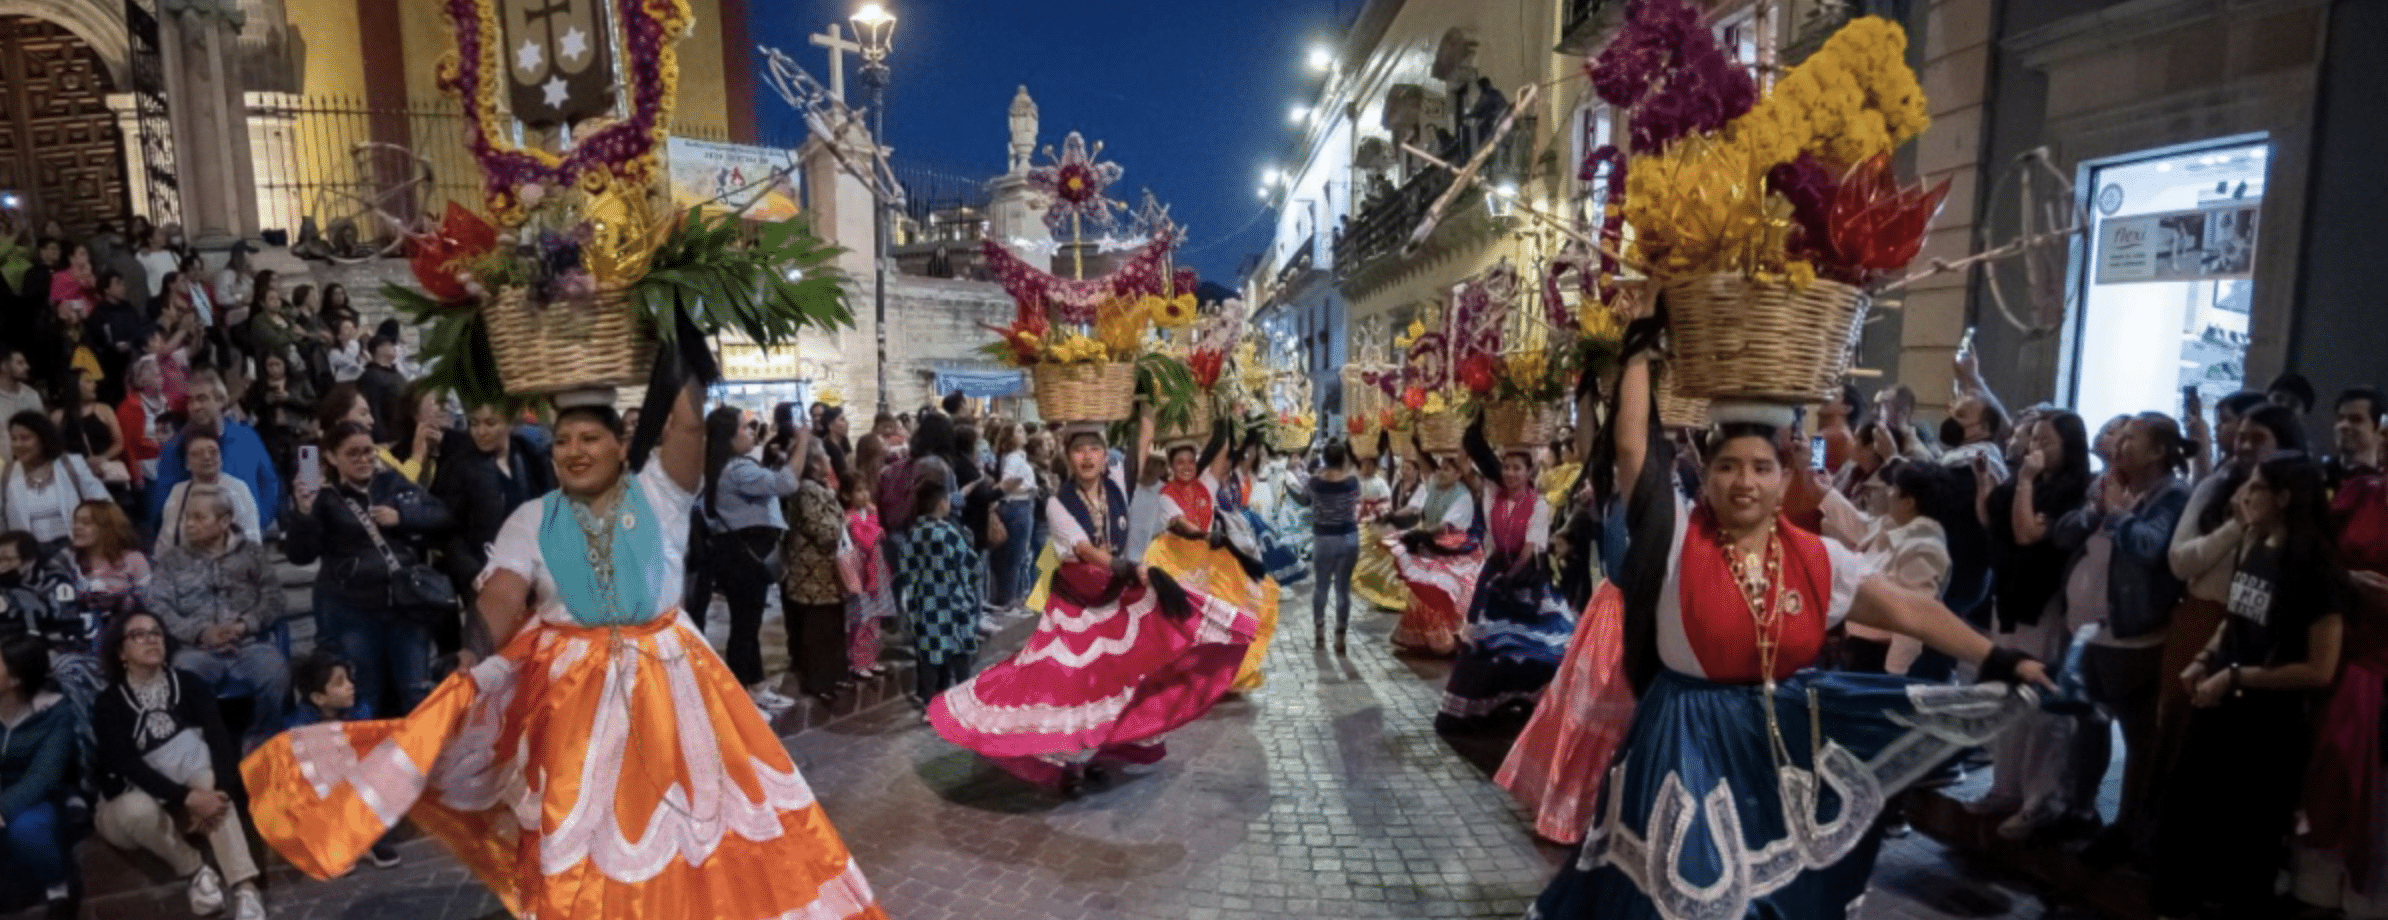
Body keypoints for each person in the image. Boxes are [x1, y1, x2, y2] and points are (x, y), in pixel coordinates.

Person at [242, 383, 887, 917]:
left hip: (672, 685)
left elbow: (688, 429)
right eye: (562, 443)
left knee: (694, 820)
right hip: (575, 698)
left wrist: (676, 326)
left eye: (589, 439)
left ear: (621, 445)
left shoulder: (659, 494)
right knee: (581, 825)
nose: (574, 452)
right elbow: (500, 596)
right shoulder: (531, 518)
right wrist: (470, 655)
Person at [1525, 342, 2048, 920]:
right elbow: (1630, 448)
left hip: (1779, 737)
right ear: (1706, 476)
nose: (1742, 482)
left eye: (1760, 467)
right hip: (1683, 736)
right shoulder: (1677, 535)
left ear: (1783, 479)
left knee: (1766, 895)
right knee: (1681, 889)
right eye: (1726, 466)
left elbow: (1909, 610)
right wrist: (1643, 353)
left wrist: (1999, 658)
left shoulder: (1817, 558)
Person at [927, 416, 1258, 797]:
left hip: (1112, 595)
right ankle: (1071, 766)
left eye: (1095, 450)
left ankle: (1090, 756)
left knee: (1113, 678)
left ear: (1105, 457)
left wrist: (1147, 409)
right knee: (1070, 686)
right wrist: (1126, 567)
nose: (1088, 457)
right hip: (1074, 607)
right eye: (1079, 450)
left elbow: (1139, 473)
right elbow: (1082, 547)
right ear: (1068, 458)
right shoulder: (1056, 503)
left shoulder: (1115, 486)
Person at [2156, 452, 2344, 919]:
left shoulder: (2317, 570)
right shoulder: (2256, 541)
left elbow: (2320, 668)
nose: (2244, 495)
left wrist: (2236, 676)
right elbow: (2236, 616)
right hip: (2222, 699)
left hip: (2267, 722)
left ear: (2283, 497)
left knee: (2247, 843)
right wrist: (2204, 659)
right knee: (2189, 821)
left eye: (2256, 487)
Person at [2054, 412, 2192, 866]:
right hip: (2090, 630)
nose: (2119, 445)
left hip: (2134, 635)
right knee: (2088, 725)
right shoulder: (2108, 484)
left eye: (2132, 439)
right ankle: (2080, 809)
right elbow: (2064, 534)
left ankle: (2130, 829)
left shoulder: (2173, 495)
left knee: (2138, 738)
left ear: (2157, 452)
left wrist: (2114, 515)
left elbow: (2153, 549)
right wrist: (2096, 510)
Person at [91, 611, 266, 920]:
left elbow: (220, 741)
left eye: (156, 633)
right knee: (137, 809)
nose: (151, 639)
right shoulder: (109, 702)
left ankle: (245, 888)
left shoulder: (189, 683)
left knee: (210, 780)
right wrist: (187, 798)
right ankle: (196, 870)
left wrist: (216, 795)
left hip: (192, 790)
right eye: (139, 634)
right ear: (121, 652)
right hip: (134, 804)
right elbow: (128, 765)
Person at [1972, 410, 2094, 839]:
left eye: (2046, 441)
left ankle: (2041, 799)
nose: (2034, 447)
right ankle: (2005, 787)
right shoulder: (2029, 478)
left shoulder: (2072, 490)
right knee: (2004, 694)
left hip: (2042, 602)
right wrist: (1988, 486)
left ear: (2069, 448)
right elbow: (1996, 522)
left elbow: (2026, 533)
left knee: (2039, 702)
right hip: (2008, 595)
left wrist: (2024, 479)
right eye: (2033, 438)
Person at [283, 422, 450, 717]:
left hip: (405, 606)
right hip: (354, 612)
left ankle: (424, 758)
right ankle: (368, 760)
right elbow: (300, 555)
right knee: (364, 692)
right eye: (353, 454)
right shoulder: (323, 497)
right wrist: (304, 512)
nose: (363, 459)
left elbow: (440, 514)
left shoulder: (391, 483)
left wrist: (402, 517)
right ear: (332, 458)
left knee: (416, 689)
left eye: (368, 452)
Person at [1435, 420, 1574, 734]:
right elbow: (1473, 461)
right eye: (1507, 467)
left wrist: (1509, 579)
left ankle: (1527, 699)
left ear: (1529, 473)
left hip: (1525, 578)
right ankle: (1482, 706)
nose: (1510, 473)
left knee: (1527, 643)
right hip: (1496, 571)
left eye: (1517, 469)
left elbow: (1529, 548)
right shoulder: (1492, 493)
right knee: (1483, 643)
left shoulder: (1538, 505)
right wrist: (1477, 421)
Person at [1137, 426, 1280, 691]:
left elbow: (1221, 453)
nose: (1186, 467)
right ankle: (1185, 675)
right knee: (1182, 619)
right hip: (1175, 557)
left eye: (1191, 461)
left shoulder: (1206, 486)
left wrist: (1224, 414)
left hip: (1207, 557)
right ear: (1170, 466)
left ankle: (1220, 675)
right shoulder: (1166, 495)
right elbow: (1179, 523)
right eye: (1179, 462)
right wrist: (1204, 535)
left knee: (1233, 608)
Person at [145, 485, 288, 746]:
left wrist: (244, 625)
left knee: (274, 672)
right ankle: (205, 747)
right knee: (182, 678)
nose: (189, 524)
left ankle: (260, 741)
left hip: (248, 645)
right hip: (195, 649)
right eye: (188, 516)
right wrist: (200, 632)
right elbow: (158, 607)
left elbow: (274, 599)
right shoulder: (172, 560)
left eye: (199, 517)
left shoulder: (252, 554)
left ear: (224, 521)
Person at [698, 406, 803, 711]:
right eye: (744, 428)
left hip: (736, 554)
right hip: (743, 556)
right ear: (729, 437)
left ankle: (754, 685)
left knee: (748, 624)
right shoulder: (736, 469)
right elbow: (786, 485)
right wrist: (804, 444)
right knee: (745, 626)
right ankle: (743, 694)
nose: (750, 433)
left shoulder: (724, 467)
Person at [429, 403, 553, 659]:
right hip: (483, 577)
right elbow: (445, 530)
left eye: (490, 423)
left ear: (509, 422)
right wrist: (472, 573)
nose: (481, 432)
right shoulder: (458, 468)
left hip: (534, 575)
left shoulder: (531, 458)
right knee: (491, 657)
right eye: (474, 424)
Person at [275, 650, 401, 870]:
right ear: (318, 698)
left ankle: (372, 840)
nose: (350, 685)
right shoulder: (299, 724)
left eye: (349, 679)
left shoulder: (360, 710)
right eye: (339, 683)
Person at [0, 632, 78, 918]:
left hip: (38, 796)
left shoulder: (55, 712)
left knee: (28, 828)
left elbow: (44, 774)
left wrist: (3, 808)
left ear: (17, 679)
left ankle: (58, 889)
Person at [146, 371, 279, 532]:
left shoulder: (246, 436)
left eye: (202, 399)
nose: (195, 407)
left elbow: (268, 480)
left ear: (221, 400)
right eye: (191, 401)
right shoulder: (175, 447)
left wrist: (259, 519)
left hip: (245, 537)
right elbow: (164, 501)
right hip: (198, 541)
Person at [1385, 449, 1479, 657]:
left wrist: (1421, 533)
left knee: (1442, 587)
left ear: (1458, 474)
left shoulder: (1462, 495)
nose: (1442, 473)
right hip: (1431, 545)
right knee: (1421, 589)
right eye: (1441, 469)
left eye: (1447, 469)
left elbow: (1445, 526)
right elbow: (1427, 516)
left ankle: (1446, 640)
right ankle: (1422, 639)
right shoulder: (1434, 487)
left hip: (1456, 551)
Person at [894, 477, 981, 702]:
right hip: (953, 600)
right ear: (942, 503)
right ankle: (963, 698)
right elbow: (970, 565)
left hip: (925, 603)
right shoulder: (948, 532)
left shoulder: (914, 533)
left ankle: (929, 701)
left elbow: (905, 569)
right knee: (960, 650)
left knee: (930, 654)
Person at [780, 436, 851, 703]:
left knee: (829, 626)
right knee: (817, 630)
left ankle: (831, 677)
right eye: (826, 456)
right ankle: (818, 681)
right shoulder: (808, 489)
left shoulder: (816, 487)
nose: (831, 460)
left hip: (823, 573)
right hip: (814, 574)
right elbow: (819, 529)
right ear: (816, 462)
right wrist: (846, 525)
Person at [1290, 439, 1362, 652]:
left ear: (1324, 458)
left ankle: (1319, 632)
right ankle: (1340, 635)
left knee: (1321, 586)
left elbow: (1304, 500)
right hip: (1349, 538)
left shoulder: (1315, 483)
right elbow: (1356, 501)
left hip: (1323, 539)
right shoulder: (1352, 482)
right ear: (1343, 459)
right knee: (1343, 589)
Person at [1, 411, 107, 550]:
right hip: (30, 556)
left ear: (43, 439)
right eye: (14, 439)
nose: (18, 445)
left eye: (25, 438)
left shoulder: (71, 464)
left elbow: (103, 504)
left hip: (76, 549)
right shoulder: (7, 474)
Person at [155, 430, 262, 549]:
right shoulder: (178, 491)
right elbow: (166, 540)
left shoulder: (238, 489)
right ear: (187, 463)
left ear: (221, 458)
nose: (206, 457)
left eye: (213, 452)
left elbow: (252, 538)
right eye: (197, 454)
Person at [839, 476, 897, 681]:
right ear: (847, 495)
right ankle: (858, 661)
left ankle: (871, 658)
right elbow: (867, 540)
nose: (865, 495)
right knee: (861, 618)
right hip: (861, 575)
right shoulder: (851, 517)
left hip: (876, 573)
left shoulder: (868, 513)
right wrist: (874, 521)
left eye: (866, 490)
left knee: (874, 618)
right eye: (858, 491)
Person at [1352, 443, 1411, 612]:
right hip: (1361, 521)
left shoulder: (1380, 483)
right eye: (1364, 466)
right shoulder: (1357, 482)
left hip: (1376, 524)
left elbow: (1386, 504)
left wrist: (1374, 512)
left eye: (1370, 466)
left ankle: (1387, 593)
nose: (1366, 469)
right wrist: (1358, 511)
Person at [989, 420, 1038, 615]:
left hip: (1022, 505)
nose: (1023, 432)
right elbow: (1006, 482)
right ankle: (1009, 599)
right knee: (1015, 556)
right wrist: (1029, 488)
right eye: (1018, 430)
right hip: (1017, 505)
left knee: (1017, 556)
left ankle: (1013, 597)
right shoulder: (1013, 459)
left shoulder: (1018, 457)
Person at [116, 357, 170, 485]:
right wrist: (136, 475)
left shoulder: (167, 402)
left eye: (160, 375)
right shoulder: (129, 407)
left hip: (170, 465)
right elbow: (127, 445)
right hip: (147, 473)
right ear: (142, 381)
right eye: (156, 376)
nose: (161, 379)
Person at [354, 335, 406, 444]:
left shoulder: (398, 375)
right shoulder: (371, 376)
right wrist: (381, 438)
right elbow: (372, 408)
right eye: (389, 345)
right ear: (378, 349)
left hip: (402, 434)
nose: (393, 348)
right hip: (386, 439)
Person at [0, 347, 40, 425]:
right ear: (4, 366)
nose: (27, 367)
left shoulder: (31, 394)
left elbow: (42, 429)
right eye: (20, 363)